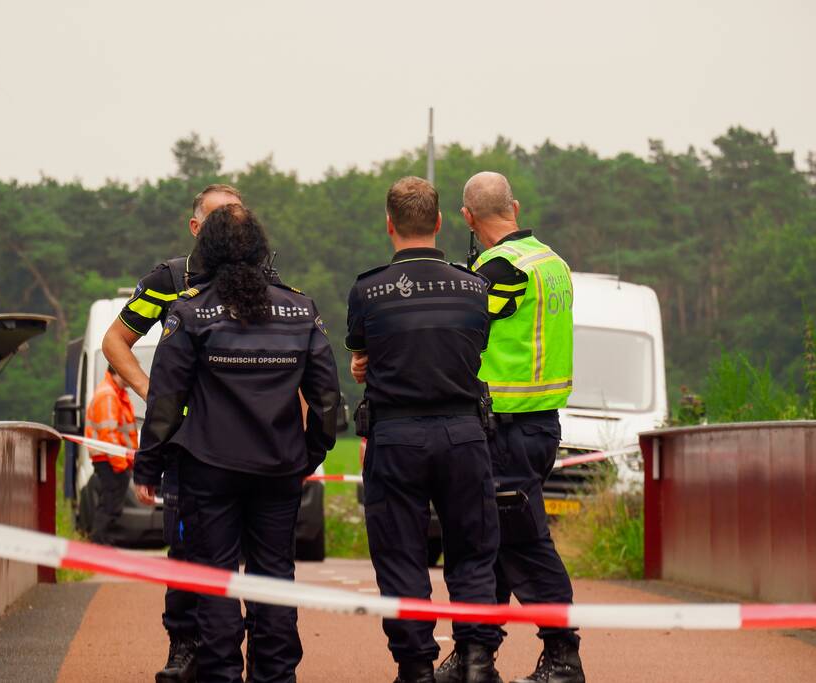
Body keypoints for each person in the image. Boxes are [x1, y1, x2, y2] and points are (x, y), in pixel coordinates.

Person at [133, 204, 340, 683]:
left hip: (209, 470)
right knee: (275, 578)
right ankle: (275, 675)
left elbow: (166, 400)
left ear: (207, 251)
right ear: (260, 250)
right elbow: (328, 398)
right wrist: (310, 453)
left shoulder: (190, 312)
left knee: (215, 579)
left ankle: (221, 674)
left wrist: (148, 465)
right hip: (279, 468)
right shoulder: (300, 309)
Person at [346, 176, 501, 683]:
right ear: (438, 222)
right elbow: (473, 347)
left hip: (396, 437)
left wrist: (366, 364)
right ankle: (477, 661)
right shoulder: (475, 286)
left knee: (400, 557)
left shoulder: (367, 290)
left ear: (389, 225)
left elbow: (363, 354)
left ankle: (415, 668)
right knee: (473, 552)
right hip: (464, 434)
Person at [102, 183, 242, 683]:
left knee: (252, 556)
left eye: (237, 215)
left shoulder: (261, 277)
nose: (229, 225)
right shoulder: (170, 279)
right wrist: (152, 392)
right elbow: (115, 341)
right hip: (186, 442)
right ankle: (184, 647)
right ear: (195, 226)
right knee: (184, 550)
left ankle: (242, 655)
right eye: (219, 216)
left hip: (246, 440)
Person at [459, 171, 584, 683]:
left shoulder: (499, 268)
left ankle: (562, 656)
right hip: (539, 422)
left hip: (506, 427)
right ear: (514, 207)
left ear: (468, 217)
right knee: (494, 544)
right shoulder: (551, 262)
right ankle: (475, 656)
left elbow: (460, 331)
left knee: (525, 544)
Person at [84, 365, 136, 546]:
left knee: (111, 502)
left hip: (112, 459)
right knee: (110, 503)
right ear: (120, 371)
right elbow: (109, 435)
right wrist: (121, 464)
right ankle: (98, 542)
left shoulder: (115, 393)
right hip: (110, 459)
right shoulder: (108, 395)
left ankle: (101, 540)